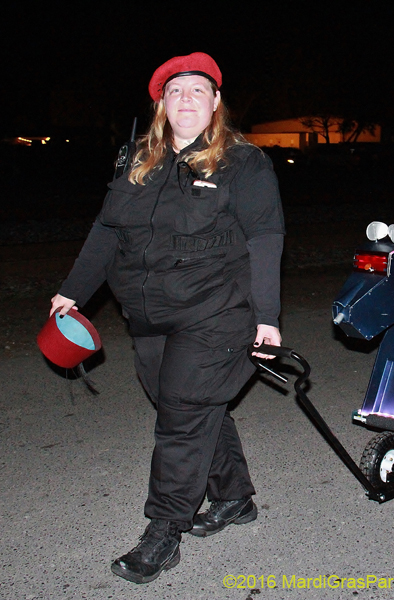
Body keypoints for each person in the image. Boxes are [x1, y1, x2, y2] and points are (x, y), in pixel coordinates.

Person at [48, 52, 285, 584]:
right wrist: (73, 291)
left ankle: (163, 530)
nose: (186, 99)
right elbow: (107, 231)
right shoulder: (137, 158)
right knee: (188, 404)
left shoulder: (244, 162)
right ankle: (235, 497)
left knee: (180, 413)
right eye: (175, 90)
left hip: (217, 310)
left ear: (216, 102)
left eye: (198, 90)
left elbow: (267, 239)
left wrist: (267, 317)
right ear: (161, 103)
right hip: (149, 313)